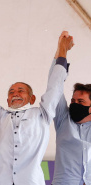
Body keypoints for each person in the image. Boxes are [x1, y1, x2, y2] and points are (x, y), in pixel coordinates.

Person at [0, 32, 73, 185]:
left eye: (21, 91)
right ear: (7, 100)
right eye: (11, 92)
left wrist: (62, 51)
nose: (15, 94)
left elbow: (55, 86)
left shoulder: (42, 114)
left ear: (32, 98)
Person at [52, 34, 90, 185]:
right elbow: (54, 86)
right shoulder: (63, 119)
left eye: (81, 101)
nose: (74, 104)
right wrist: (62, 52)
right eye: (73, 100)